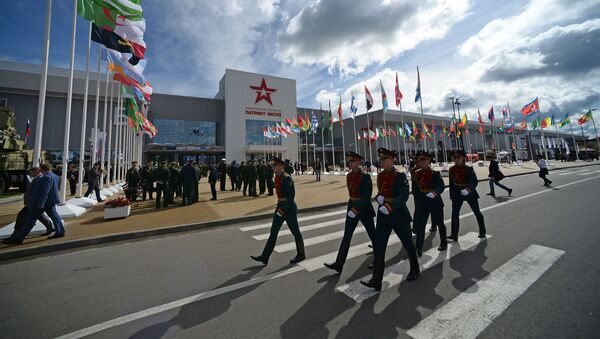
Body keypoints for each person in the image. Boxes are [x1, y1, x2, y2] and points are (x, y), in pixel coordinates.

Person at [360, 148, 419, 291]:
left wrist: (389, 205)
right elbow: (381, 193)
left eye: (384, 159)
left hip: (399, 216)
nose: (381, 162)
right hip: (383, 217)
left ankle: (415, 268)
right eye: (380, 159)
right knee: (379, 247)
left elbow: (404, 196)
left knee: (408, 244)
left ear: (392, 160)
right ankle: (376, 280)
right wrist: (378, 199)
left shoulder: (400, 176)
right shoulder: (380, 176)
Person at [324, 151, 376, 273]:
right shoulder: (349, 175)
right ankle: (339, 263)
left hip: (364, 209)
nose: (350, 163)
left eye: (353, 161)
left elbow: (367, 196)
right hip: (352, 206)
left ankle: (378, 259)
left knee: (373, 235)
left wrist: (356, 209)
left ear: (359, 162)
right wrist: (352, 207)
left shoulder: (365, 176)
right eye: (349, 161)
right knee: (347, 236)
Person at [251, 157, 305, 265]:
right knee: (273, 231)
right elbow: (278, 190)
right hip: (280, 206)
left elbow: (291, 196)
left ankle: (301, 254)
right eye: (272, 166)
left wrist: (282, 210)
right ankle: (265, 256)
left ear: (280, 166)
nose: (273, 168)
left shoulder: (287, 178)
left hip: (289, 209)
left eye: (274, 166)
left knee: (295, 232)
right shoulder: (277, 177)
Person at [413, 152, 447, 256]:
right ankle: (419, 247)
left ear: (429, 161)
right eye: (420, 160)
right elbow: (415, 190)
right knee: (420, 226)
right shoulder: (417, 174)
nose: (422, 162)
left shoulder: (435, 173)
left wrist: (434, 193)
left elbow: (441, 186)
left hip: (435, 201)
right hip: (422, 203)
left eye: (425, 160)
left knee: (440, 223)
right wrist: (417, 201)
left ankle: (443, 243)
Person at [448, 150, 486, 241]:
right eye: (455, 157)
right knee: (454, 214)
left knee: (477, 212)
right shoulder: (451, 169)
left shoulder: (469, 169)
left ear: (463, 158)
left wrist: (468, 189)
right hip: (457, 193)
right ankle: (454, 234)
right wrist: (451, 195)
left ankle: (482, 230)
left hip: (469, 193)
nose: (456, 159)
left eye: (458, 157)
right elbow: (451, 184)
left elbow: (474, 181)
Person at [12, 167, 54, 236]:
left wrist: (38, 203)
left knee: (21, 217)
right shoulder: (37, 178)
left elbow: (42, 192)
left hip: (33, 203)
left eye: (31, 172)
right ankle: (50, 227)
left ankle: (16, 235)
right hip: (34, 203)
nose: (30, 173)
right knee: (40, 216)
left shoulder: (40, 178)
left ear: (36, 171)